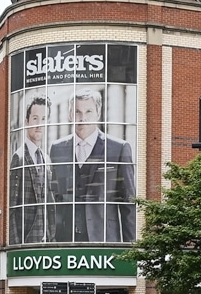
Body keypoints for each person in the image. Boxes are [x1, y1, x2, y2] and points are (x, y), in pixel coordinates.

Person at [48, 89, 136, 243]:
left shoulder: (118, 148)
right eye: (77, 112)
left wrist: (131, 249)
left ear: (98, 113)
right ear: (69, 115)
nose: (83, 118)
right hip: (65, 240)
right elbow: (53, 197)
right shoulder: (57, 148)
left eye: (88, 111)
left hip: (104, 239)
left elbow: (128, 202)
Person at [10, 94, 52, 244]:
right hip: (26, 241)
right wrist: (15, 245)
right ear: (26, 121)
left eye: (43, 119)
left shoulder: (46, 159)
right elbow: (12, 208)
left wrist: (51, 235)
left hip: (46, 240)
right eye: (35, 118)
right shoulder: (18, 158)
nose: (39, 124)